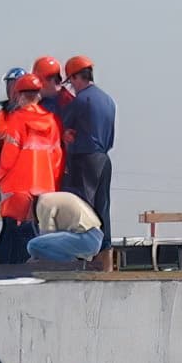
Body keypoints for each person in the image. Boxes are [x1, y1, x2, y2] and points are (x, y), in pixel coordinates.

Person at [0, 73, 65, 266]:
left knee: (15, 228)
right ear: (38, 95)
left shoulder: (16, 120)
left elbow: (8, 155)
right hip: (44, 186)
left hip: (18, 186)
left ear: (20, 95)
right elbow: (57, 156)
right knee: (37, 228)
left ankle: (8, 266)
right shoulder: (51, 121)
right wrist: (52, 182)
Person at [55, 54, 116, 261]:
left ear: (74, 78)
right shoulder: (108, 100)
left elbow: (63, 128)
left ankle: (83, 258)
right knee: (102, 207)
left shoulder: (81, 100)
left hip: (84, 159)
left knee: (82, 209)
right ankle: (105, 257)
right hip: (104, 159)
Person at [22, 190, 106, 266]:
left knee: (33, 245)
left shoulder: (43, 204)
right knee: (38, 247)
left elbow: (45, 240)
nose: (25, 219)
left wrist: (33, 260)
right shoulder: (48, 198)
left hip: (86, 237)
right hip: (92, 236)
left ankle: (72, 266)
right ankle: (73, 265)